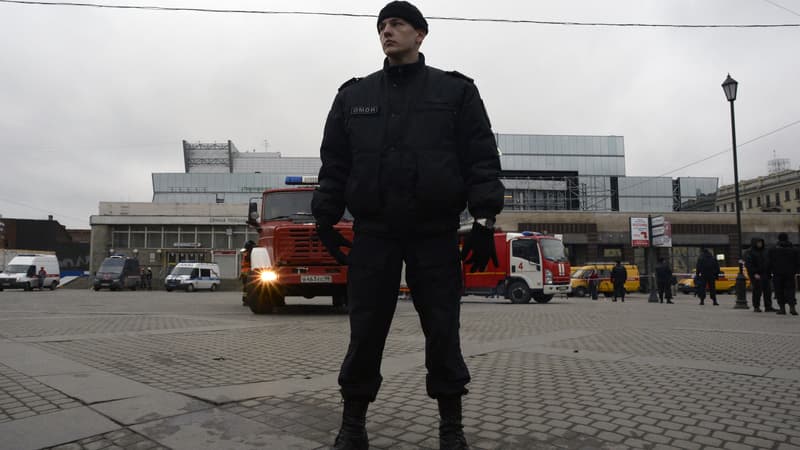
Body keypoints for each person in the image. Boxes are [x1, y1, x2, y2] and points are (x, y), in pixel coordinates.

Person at [311, 2, 504, 448]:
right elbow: (335, 164)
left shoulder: (455, 92)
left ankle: (451, 428)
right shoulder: (353, 96)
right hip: (374, 233)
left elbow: (480, 157)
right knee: (365, 330)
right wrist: (325, 218)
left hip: (434, 231)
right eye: (381, 26)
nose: (386, 31)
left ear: (421, 34)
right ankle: (353, 425)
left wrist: (484, 218)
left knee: (442, 329)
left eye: (396, 24)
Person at [767, 233, 799, 316]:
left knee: (779, 291)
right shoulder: (794, 250)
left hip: (777, 274)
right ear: (787, 238)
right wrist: (795, 271)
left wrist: (769, 272)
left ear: (779, 239)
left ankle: (782, 309)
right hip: (790, 274)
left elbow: (769, 262)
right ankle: (792, 307)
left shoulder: (772, 250)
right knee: (790, 290)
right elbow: (798, 262)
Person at [745, 237, 772, 312]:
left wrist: (769, 272)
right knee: (757, 291)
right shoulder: (749, 252)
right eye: (758, 243)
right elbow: (749, 265)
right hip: (756, 274)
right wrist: (754, 273)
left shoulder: (765, 251)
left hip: (766, 273)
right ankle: (756, 306)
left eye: (761, 242)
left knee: (768, 291)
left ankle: (768, 306)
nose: (760, 244)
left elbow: (769, 261)